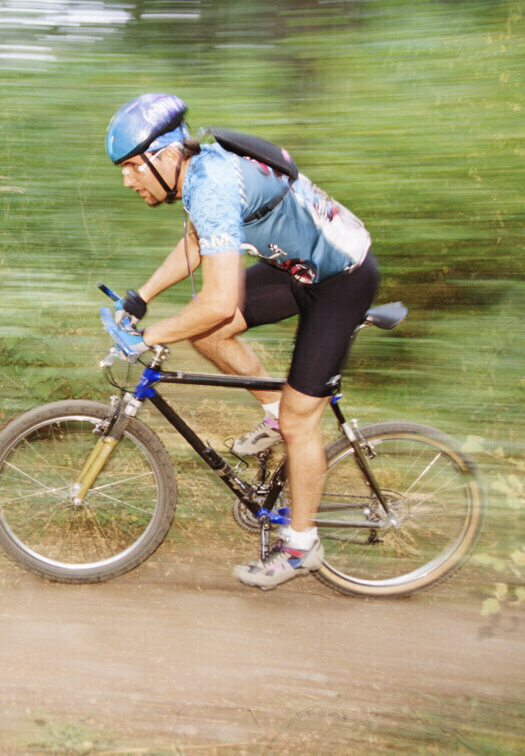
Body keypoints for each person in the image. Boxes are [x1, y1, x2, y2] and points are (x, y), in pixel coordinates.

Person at [104, 93, 380, 590]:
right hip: (297, 270)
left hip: (343, 278)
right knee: (209, 336)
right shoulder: (197, 174)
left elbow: (217, 300)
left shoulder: (209, 184)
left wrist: (148, 337)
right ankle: (275, 415)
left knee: (302, 420)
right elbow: (198, 243)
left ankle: (301, 547)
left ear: (165, 156)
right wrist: (141, 297)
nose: (126, 179)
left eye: (130, 167)